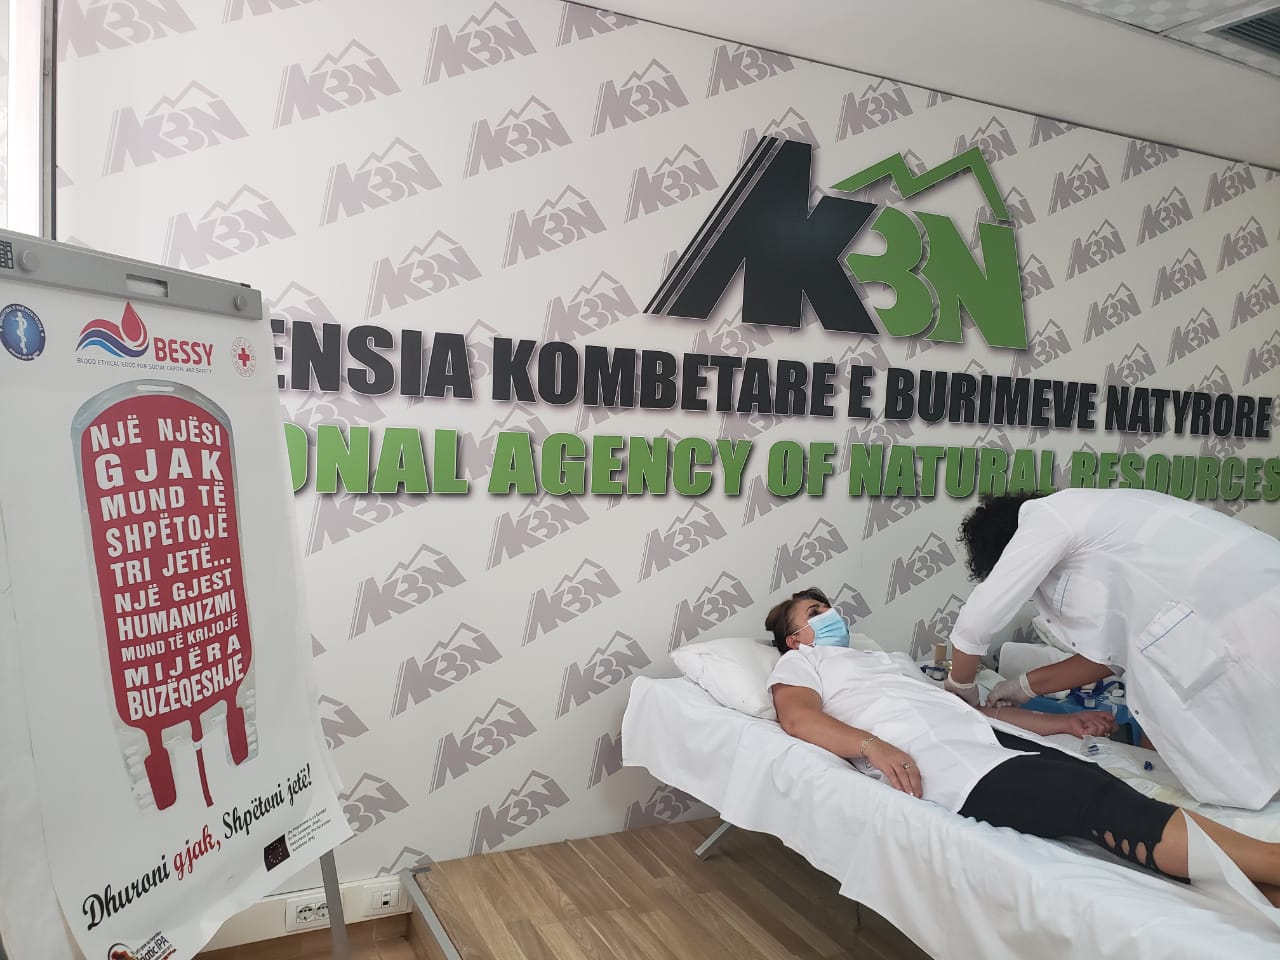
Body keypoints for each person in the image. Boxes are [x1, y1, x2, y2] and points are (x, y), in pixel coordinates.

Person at [766, 588, 1280, 905]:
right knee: (1088, 799)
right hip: (944, 763)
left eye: (828, 606)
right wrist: (871, 745)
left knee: (1101, 785)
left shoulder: (890, 661)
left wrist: (1062, 723)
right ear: (794, 638)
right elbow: (798, 718)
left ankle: (1260, 884)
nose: (831, 613)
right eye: (816, 611)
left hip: (985, 740)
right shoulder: (802, 664)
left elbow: (976, 714)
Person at [942, 488, 1280, 810]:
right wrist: (1021, 687)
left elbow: (975, 624)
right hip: (1248, 594)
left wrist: (960, 685)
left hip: (1244, 610)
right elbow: (1108, 656)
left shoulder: (1047, 517)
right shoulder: (1104, 521)